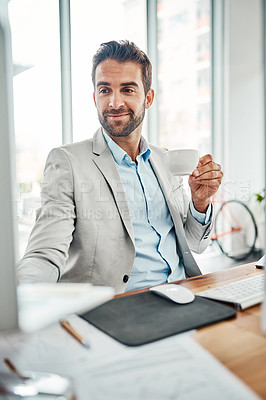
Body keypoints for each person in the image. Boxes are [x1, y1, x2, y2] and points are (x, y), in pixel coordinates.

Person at [17, 40, 223, 293]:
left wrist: (200, 202)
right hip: (119, 307)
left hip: (184, 292)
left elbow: (194, 244)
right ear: (95, 97)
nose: (114, 103)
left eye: (127, 90)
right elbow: (45, 252)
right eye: (105, 90)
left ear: (148, 98)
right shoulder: (67, 162)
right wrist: (18, 296)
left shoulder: (164, 159)